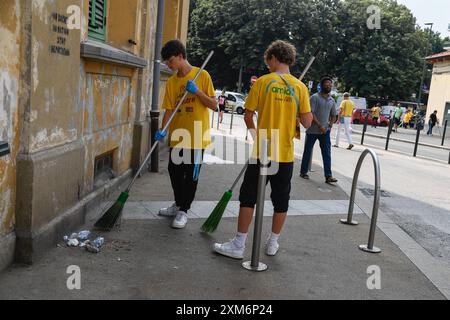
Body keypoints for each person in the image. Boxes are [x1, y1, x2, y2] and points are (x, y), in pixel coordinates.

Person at [213, 40, 313, 259]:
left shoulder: (263, 82)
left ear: (274, 58)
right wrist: (294, 110)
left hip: (262, 152)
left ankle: (239, 244)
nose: (268, 66)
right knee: (281, 200)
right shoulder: (300, 87)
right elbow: (307, 122)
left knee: (248, 197)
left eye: (268, 62)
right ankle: (272, 242)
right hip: (285, 154)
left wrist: (255, 135)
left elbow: (248, 116)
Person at [156, 39, 217, 229]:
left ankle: (184, 211)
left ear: (181, 56)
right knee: (175, 172)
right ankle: (178, 204)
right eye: (166, 62)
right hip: (178, 135)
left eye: (170, 60)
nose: (168, 64)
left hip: (196, 136)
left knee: (190, 176)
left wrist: (197, 91)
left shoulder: (202, 75)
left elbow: (214, 104)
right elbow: (169, 109)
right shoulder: (172, 82)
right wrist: (162, 129)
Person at [300, 76, 338, 185]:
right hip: (312, 130)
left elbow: (334, 115)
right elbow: (311, 113)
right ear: (321, 85)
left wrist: (329, 126)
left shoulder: (331, 100)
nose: (329, 86)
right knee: (308, 151)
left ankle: (328, 176)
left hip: (325, 132)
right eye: (326, 84)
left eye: (330, 85)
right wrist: (319, 125)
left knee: (327, 153)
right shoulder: (314, 98)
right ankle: (303, 172)